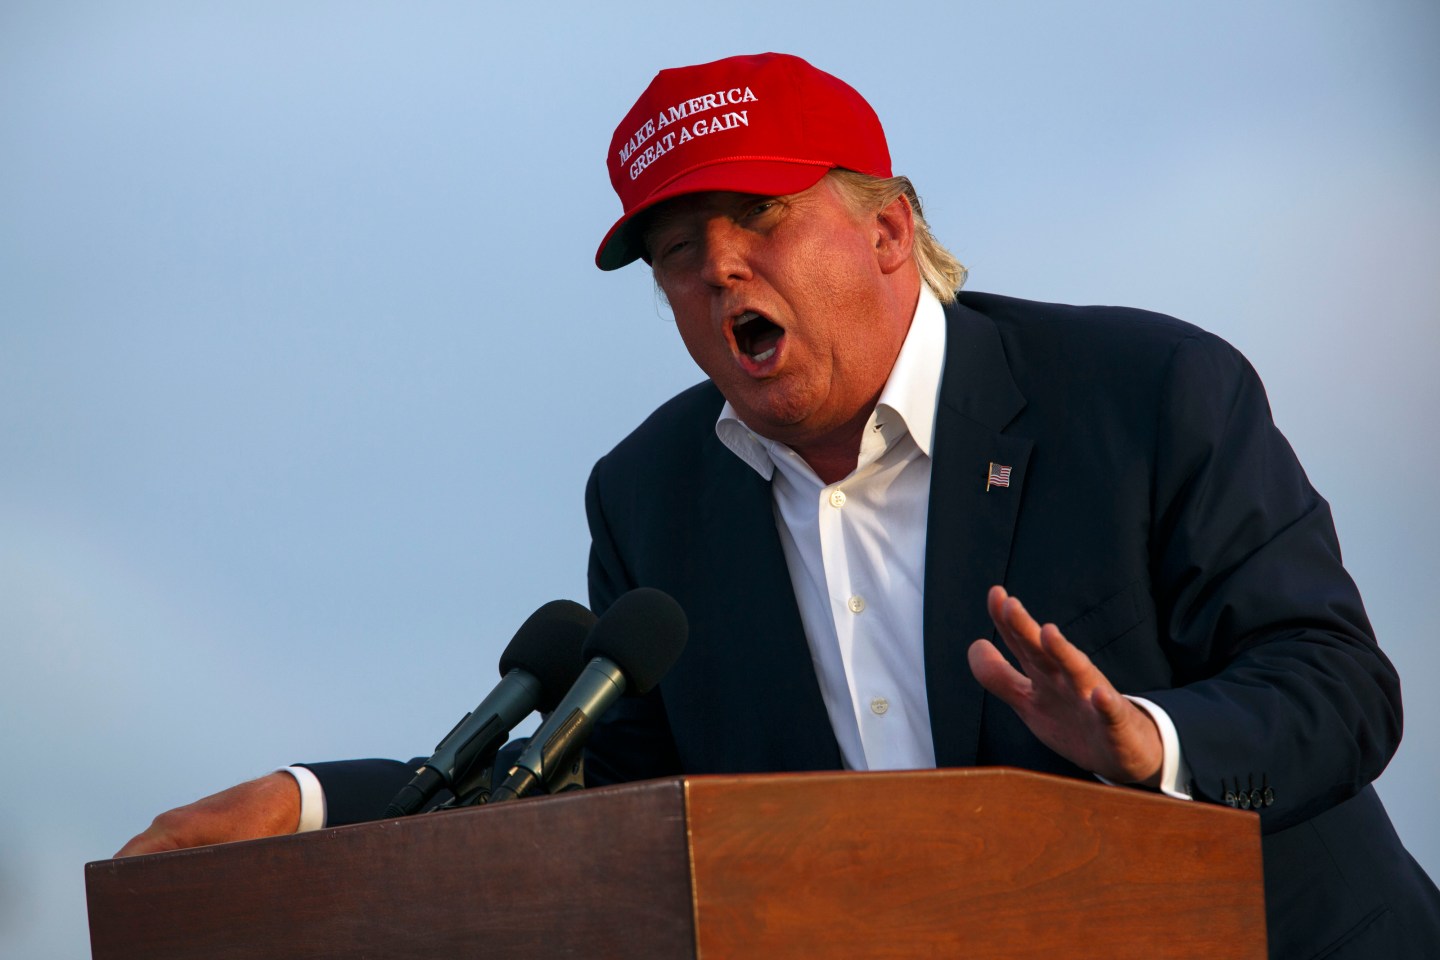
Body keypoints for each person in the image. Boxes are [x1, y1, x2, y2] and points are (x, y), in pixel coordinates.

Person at [118, 53, 1438, 958]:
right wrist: (306, 808)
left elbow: (1338, 686)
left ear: (887, 230)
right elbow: (602, 799)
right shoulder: (657, 495)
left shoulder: (1145, 394)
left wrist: (1148, 746)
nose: (716, 271)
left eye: (754, 218)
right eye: (679, 257)